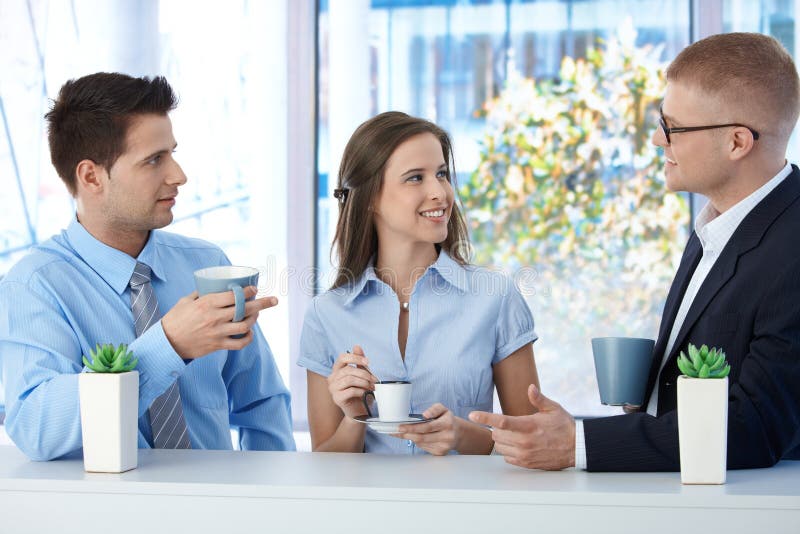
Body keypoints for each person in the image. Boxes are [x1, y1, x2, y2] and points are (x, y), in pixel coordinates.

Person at [470, 32, 800, 471]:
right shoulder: (716, 226)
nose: (658, 141)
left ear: (737, 142)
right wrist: (647, 391)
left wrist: (578, 444)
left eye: (672, 127)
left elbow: (752, 427)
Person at [0, 72, 295, 461]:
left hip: (219, 510)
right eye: (154, 160)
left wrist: (273, 506)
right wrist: (167, 345)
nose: (179, 175)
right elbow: (38, 427)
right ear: (91, 177)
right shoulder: (34, 287)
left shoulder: (208, 264)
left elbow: (261, 404)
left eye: (172, 153)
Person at [298, 111, 540, 455]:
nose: (439, 192)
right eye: (415, 178)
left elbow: (535, 443)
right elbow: (324, 463)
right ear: (369, 199)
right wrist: (355, 417)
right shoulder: (327, 315)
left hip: (466, 506)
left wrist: (462, 435)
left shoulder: (496, 298)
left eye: (441, 174)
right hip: (367, 509)